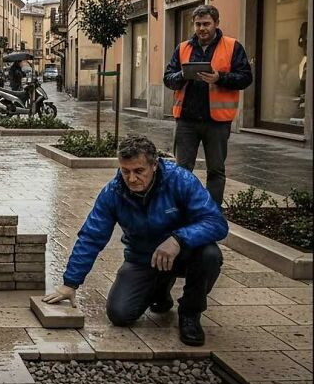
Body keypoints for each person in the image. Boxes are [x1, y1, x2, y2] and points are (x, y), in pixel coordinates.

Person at [42, 134, 228, 346]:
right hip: (142, 258)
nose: (131, 178)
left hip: (185, 254)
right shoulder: (113, 191)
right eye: (125, 171)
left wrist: (178, 239)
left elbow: (216, 223)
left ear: (154, 165)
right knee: (119, 314)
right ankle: (160, 289)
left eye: (139, 171)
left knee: (210, 255)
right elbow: (91, 238)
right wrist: (70, 283)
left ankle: (190, 313)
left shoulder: (181, 181)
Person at [162, 3, 252, 206]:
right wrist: (182, 76)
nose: (202, 28)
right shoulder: (183, 48)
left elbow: (245, 78)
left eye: (206, 24)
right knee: (182, 170)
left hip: (217, 122)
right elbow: (168, 78)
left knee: (216, 171)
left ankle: (211, 214)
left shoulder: (232, 47)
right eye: (198, 24)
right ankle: (182, 210)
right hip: (186, 120)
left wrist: (219, 78)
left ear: (216, 23)